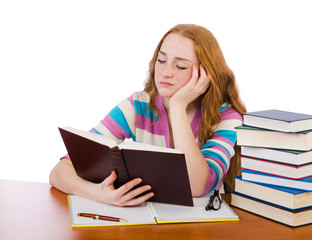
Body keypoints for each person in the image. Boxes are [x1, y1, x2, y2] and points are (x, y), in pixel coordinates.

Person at [49, 24, 247, 207]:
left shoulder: (228, 117)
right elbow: (60, 172)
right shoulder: (138, 105)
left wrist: (177, 106)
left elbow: (196, 186)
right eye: (161, 60)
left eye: (181, 66)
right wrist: (99, 194)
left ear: (205, 74)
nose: (165, 72)